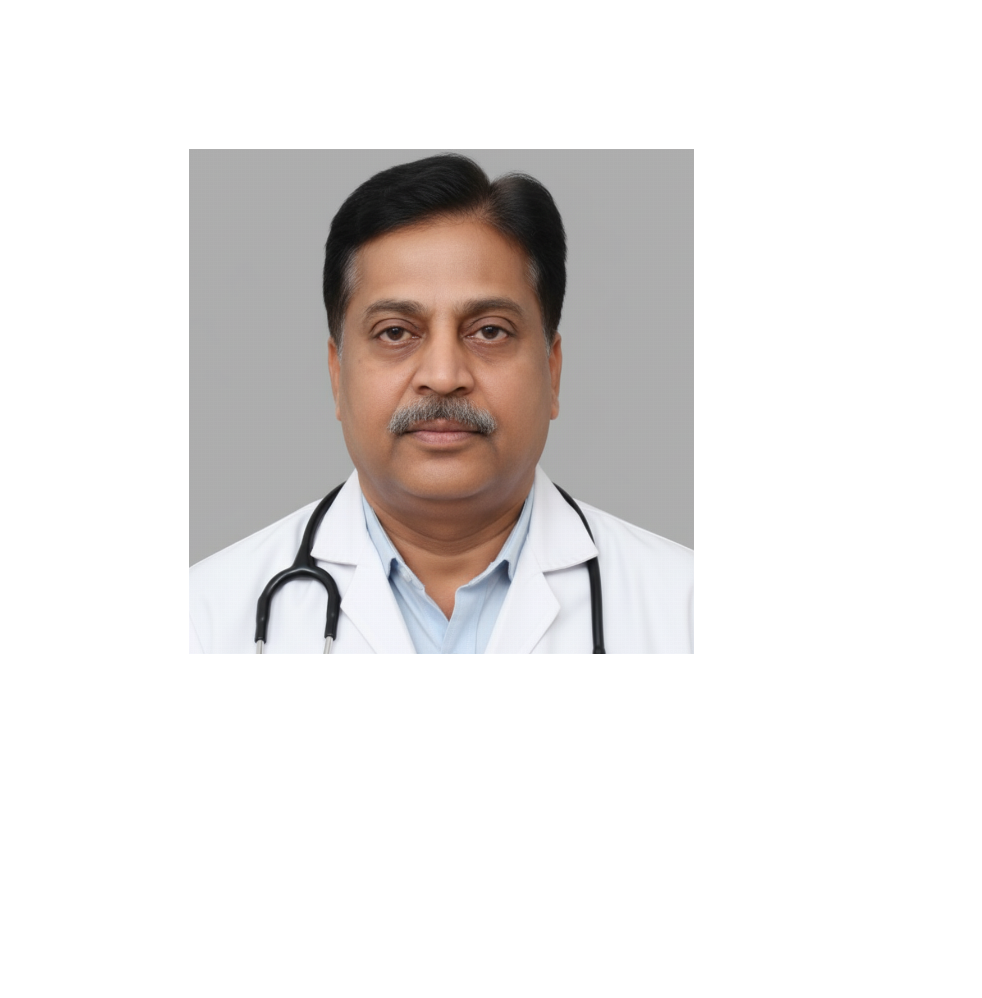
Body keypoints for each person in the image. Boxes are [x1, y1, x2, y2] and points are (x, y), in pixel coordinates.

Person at [189, 155, 693, 655]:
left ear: (552, 369)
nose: (444, 377)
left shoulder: (680, 605)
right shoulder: (206, 614)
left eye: (489, 331)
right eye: (395, 333)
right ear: (337, 373)